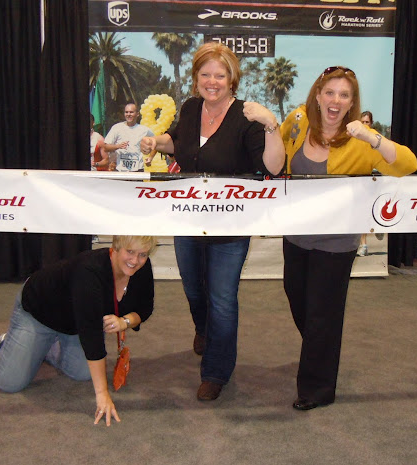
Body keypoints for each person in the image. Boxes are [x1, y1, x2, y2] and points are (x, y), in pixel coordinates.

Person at [140, 42, 285, 401]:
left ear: (232, 78)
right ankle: (203, 329)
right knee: (193, 288)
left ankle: (216, 373)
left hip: (230, 226)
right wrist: (155, 142)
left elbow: (273, 168)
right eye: (205, 74)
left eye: (220, 75)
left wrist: (271, 125)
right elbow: (178, 141)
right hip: (187, 220)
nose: (212, 81)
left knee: (222, 299)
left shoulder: (247, 116)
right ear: (196, 78)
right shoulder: (191, 108)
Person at [280, 66, 417, 411]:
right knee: (299, 302)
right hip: (296, 237)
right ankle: (321, 350)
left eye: (344, 95)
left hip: (336, 243)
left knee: (322, 315)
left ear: (352, 102)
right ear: (317, 95)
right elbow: (278, 150)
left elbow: (408, 165)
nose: (335, 100)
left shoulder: (361, 137)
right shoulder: (298, 120)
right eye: (330, 92)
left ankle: (317, 389)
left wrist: (374, 139)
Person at [0, 235, 157, 426]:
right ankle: (4, 343)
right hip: (40, 312)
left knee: (82, 373)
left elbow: (145, 308)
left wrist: (125, 321)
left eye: (142, 254)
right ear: (116, 247)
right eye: (130, 252)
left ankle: (42, 348)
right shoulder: (90, 271)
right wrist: (102, 394)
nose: (135, 260)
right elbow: (91, 336)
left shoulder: (141, 267)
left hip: (75, 324)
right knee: (9, 382)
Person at [103, 103, 155, 172]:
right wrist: (118, 146)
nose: (128, 114)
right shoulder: (117, 128)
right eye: (126, 112)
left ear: (137, 114)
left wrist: (150, 158)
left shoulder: (144, 130)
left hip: (137, 170)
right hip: (121, 170)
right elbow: (105, 147)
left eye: (131, 112)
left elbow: (156, 143)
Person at [357, 110, 375, 256]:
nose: (364, 124)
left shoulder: (374, 139)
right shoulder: (353, 138)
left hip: (369, 180)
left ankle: (363, 244)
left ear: (371, 123)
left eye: (367, 122)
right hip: (354, 180)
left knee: (364, 214)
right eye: (362, 122)